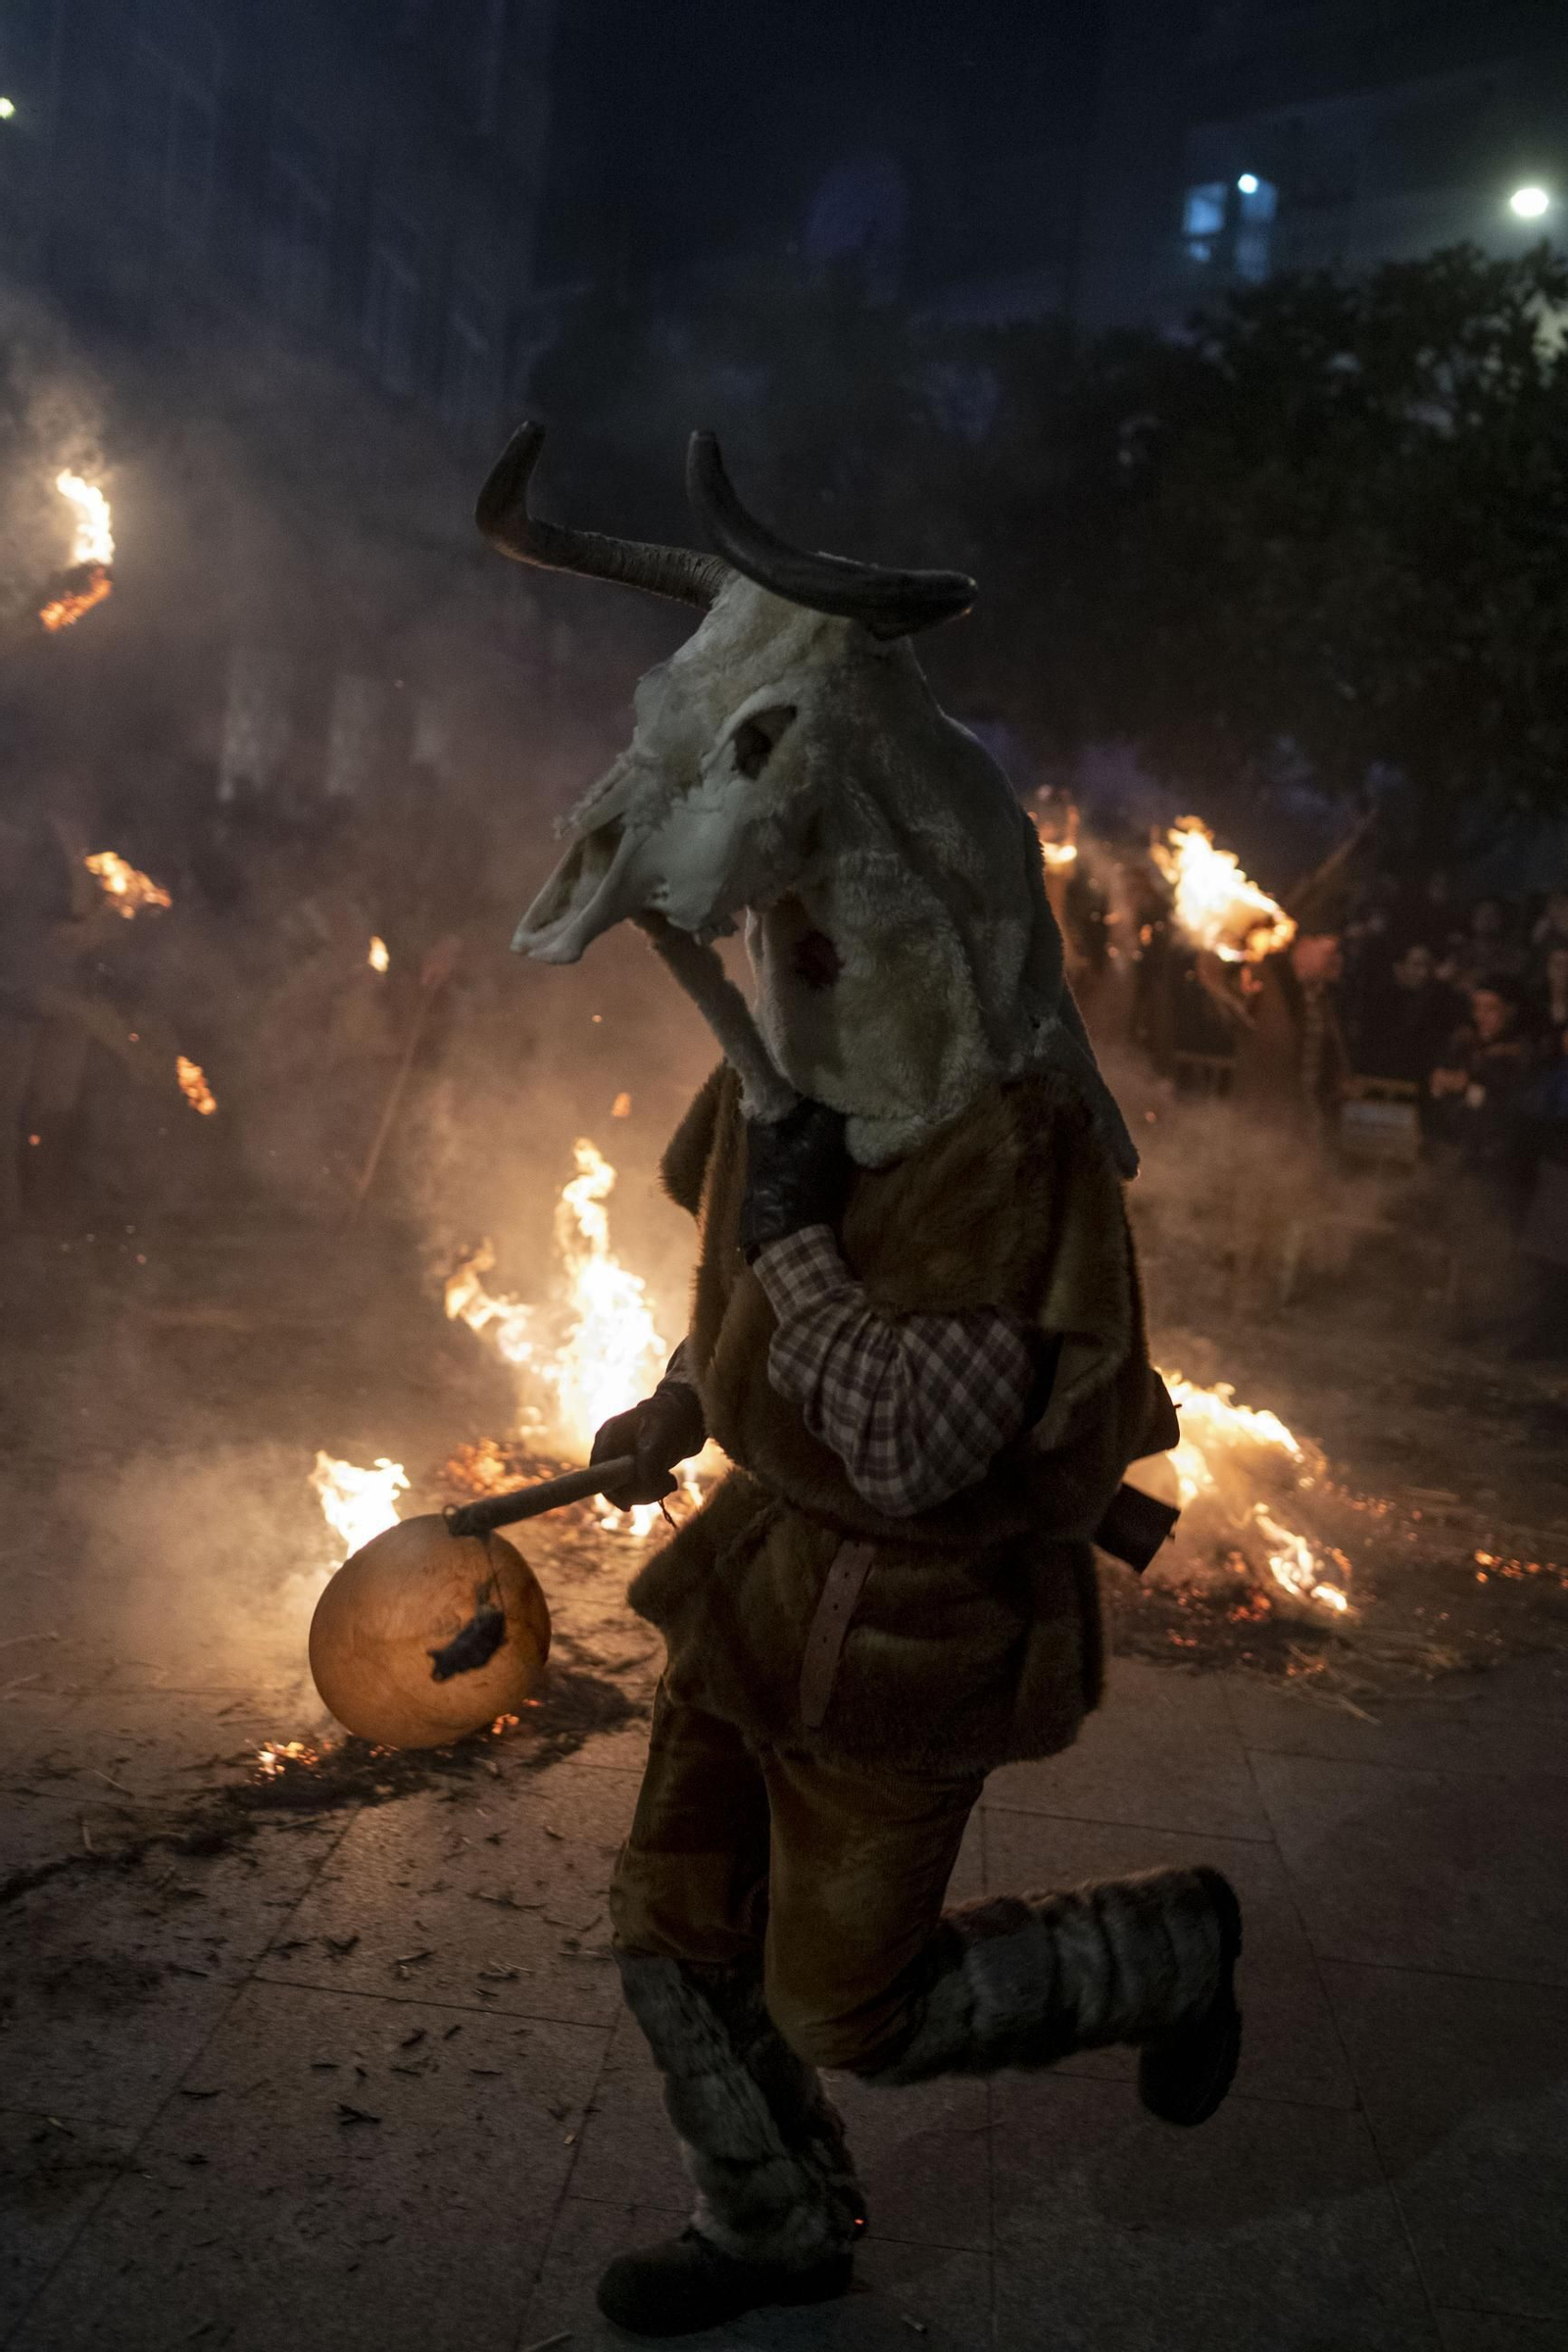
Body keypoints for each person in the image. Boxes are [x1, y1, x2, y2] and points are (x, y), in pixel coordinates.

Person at [476, 418, 1245, 2339]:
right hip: (754, 1591)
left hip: (911, 1624)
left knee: (849, 2006)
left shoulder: (1008, 1142)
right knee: (669, 1934)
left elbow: (921, 1438)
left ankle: (1167, 1950)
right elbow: (740, 1290)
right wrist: (678, 1395)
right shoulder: (785, 1083)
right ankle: (771, 2229)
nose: (789, 952)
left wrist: (804, 1246)